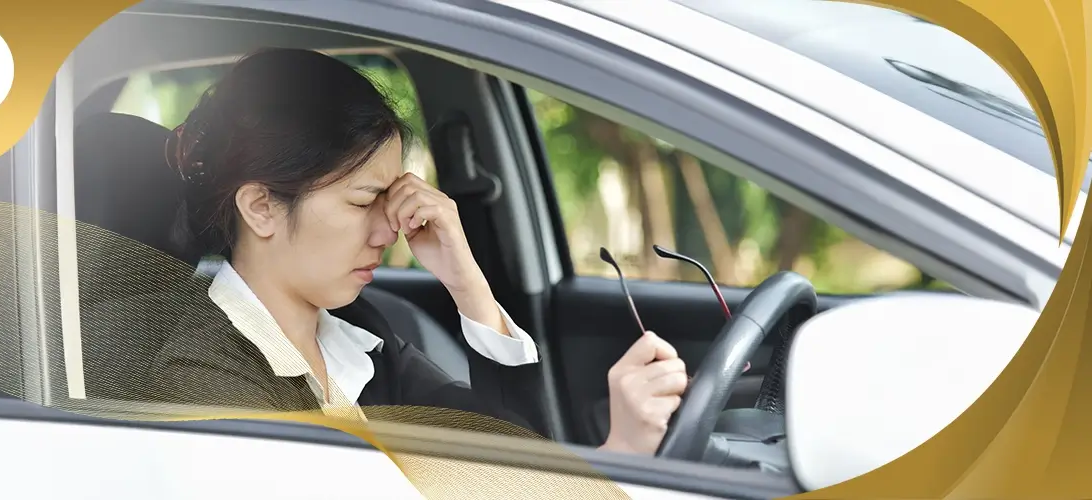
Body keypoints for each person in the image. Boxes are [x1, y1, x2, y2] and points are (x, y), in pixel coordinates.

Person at [149, 48, 689, 456]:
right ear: (262, 207)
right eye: (364, 200)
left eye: (391, 198)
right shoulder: (200, 374)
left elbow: (508, 463)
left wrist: (465, 280)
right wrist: (619, 456)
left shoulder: (359, 331)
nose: (388, 230)